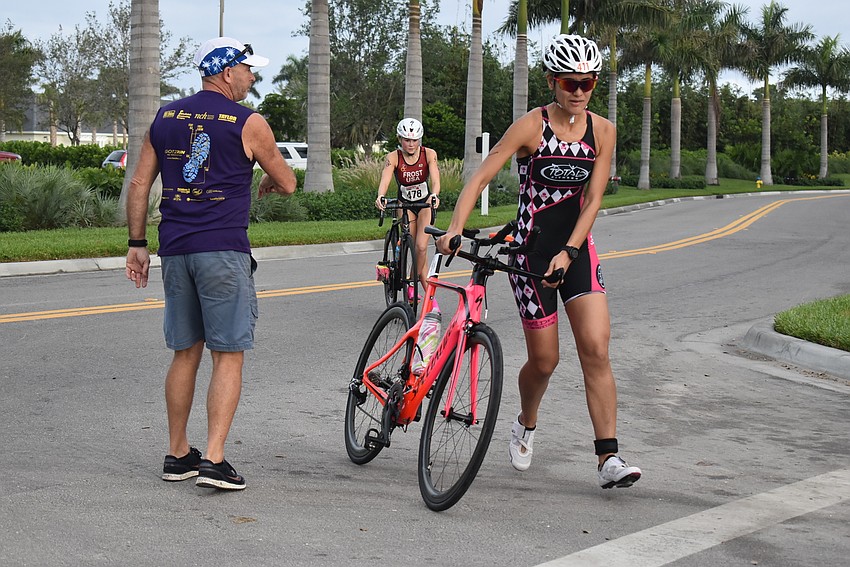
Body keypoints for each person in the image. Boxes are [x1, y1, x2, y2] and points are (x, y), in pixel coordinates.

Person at [436, 34, 641, 489]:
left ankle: (608, 456)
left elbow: (593, 198)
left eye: (587, 82)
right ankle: (526, 421)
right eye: (570, 82)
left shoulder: (602, 131)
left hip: (575, 251)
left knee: (596, 348)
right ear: (552, 81)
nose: (579, 91)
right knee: (545, 361)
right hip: (530, 254)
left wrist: (570, 251)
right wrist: (454, 228)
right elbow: (481, 176)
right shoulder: (532, 126)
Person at [125, 37, 297, 491]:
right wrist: (267, 182)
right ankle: (215, 460)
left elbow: (141, 182)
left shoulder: (164, 117)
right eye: (247, 69)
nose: (252, 77)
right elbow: (288, 180)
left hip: (176, 250)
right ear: (226, 72)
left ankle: (178, 454)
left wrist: (137, 243)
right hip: (223, 251)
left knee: (186, 351)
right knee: (228, 353)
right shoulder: (248, 121)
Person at [375, 118, 441, 295]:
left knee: (421, 246)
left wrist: (435, 194)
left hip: (424, 203)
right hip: (405, 205)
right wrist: (380, 195)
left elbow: (435, 178)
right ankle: (403, 271)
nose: (410, 144)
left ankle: (412, 282)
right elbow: (386, 178)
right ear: (399, 139)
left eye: (414, 140)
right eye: (406, 140)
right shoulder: (393, 157)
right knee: (409, 242)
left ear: (419, 140)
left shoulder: (429, 154)